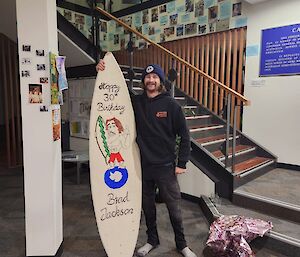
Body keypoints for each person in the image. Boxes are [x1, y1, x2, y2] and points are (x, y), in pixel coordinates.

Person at [96, 59, 197, 257]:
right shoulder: (137, 103)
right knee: (147, 207)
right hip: (141, 166)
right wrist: (102, 72)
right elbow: (114, 98)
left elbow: (184, 136)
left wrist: (182, 163)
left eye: (154, 77)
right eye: (148, 77)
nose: (151, 80)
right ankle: (152, 240)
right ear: (144, 81)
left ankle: (182, 244)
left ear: (160, 81)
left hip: (166, 167)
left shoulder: (171, 105)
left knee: (174, 208)